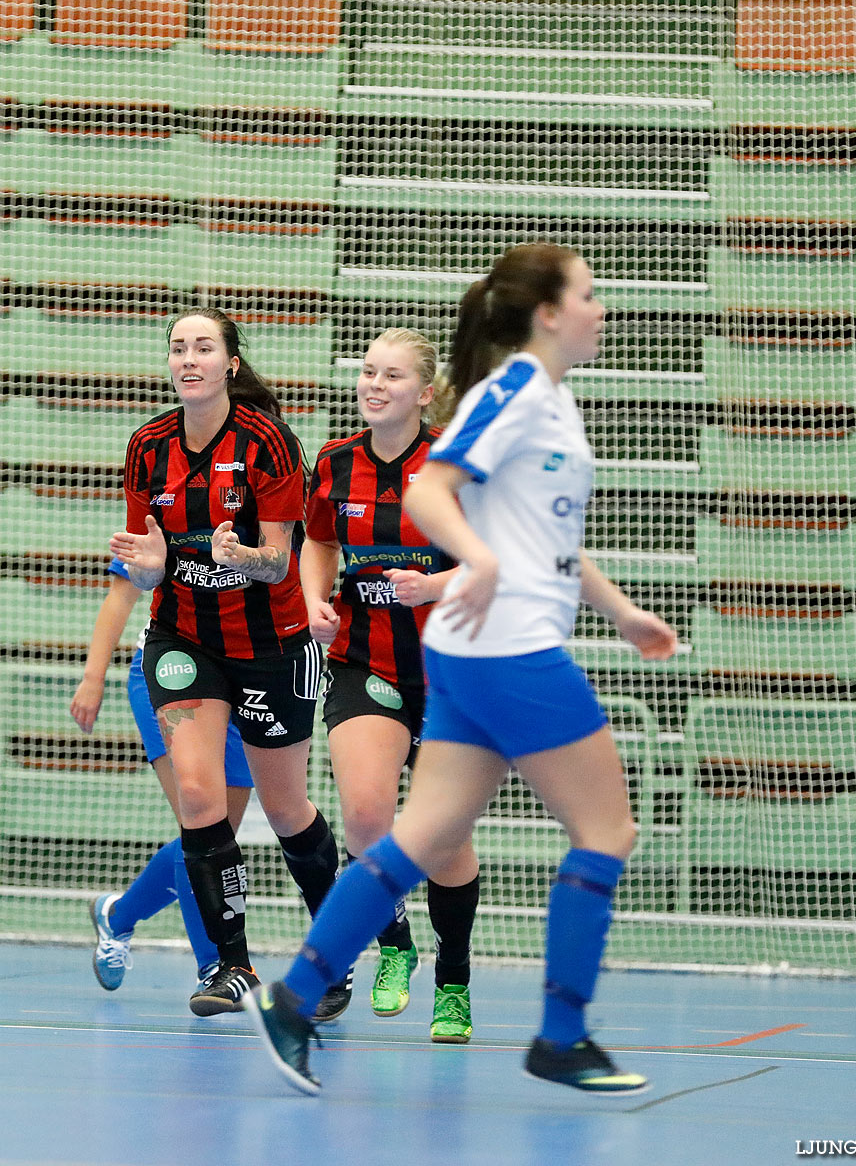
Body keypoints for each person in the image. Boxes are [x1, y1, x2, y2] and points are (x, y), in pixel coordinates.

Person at [247, 243, 678, 1095]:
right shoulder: (516, 391)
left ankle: (294, 999)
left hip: (478, 649)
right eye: (588, 295)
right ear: (548, 314)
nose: (601, 309)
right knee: (607, 831)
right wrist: (476, 562)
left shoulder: (549, 400)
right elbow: (429, 492)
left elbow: (543, 542)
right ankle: (560, 1034)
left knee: (416, 839)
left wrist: (620, 610)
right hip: (510, 646)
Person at [110, 307, 345, 1018]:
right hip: (184, 642)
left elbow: (283, 558)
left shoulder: (268, 441)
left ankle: (332, 958)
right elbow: (146, 568)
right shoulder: (147, 447)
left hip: (271, 646)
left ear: (229, 365)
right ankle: (231, 966)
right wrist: (151, 569)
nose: (189, 358)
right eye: (178, 348)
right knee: (201, 799)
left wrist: (247, 558)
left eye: (203, 347)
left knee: (285, 810)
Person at [300, 328, 482, 1042]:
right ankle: (395, 945)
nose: (375, 384)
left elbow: (497, 559)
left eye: (393, 375)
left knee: (443, 837)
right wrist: (315, 597)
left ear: (425, 392)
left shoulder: (453, 466)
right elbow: (318, 539)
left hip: (448, 669)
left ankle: (456, 981)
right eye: (368, 370)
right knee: (368, 817)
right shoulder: (336, 462)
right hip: (362, 660)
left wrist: (431, 584)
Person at [71, 557, 253, 990]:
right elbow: (121, 596)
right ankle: (215, 964)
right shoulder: (165, 502)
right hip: (172, 673)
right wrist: (93, 678)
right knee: (202, 827)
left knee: (218, 834)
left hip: (247, 677)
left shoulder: (273, 513)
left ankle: (117, 916)